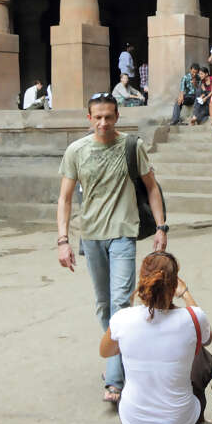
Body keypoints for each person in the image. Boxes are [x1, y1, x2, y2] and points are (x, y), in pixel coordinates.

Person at [56, 93, 168, 405]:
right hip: (91, 235)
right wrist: (63, 240)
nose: (103, 122)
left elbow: (151, 187)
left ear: (117, 117)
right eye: (98, 117)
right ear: (89, 118)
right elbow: (65, 198)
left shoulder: (132, 147)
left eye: (109, 116)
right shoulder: (76, 151)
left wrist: (161, 228)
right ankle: (126, 357)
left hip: (123, 232)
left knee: (121, 302)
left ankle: (115, 378)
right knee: (104, 306)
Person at [101, 252, 212, 424]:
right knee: (200, 352)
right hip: (181, 422)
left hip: (134, 422)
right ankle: (199, 417)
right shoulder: (193, 318)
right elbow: (206, 337)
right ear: (174, 285)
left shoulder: (122, 318)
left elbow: (105, 352)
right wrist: (186, 294)